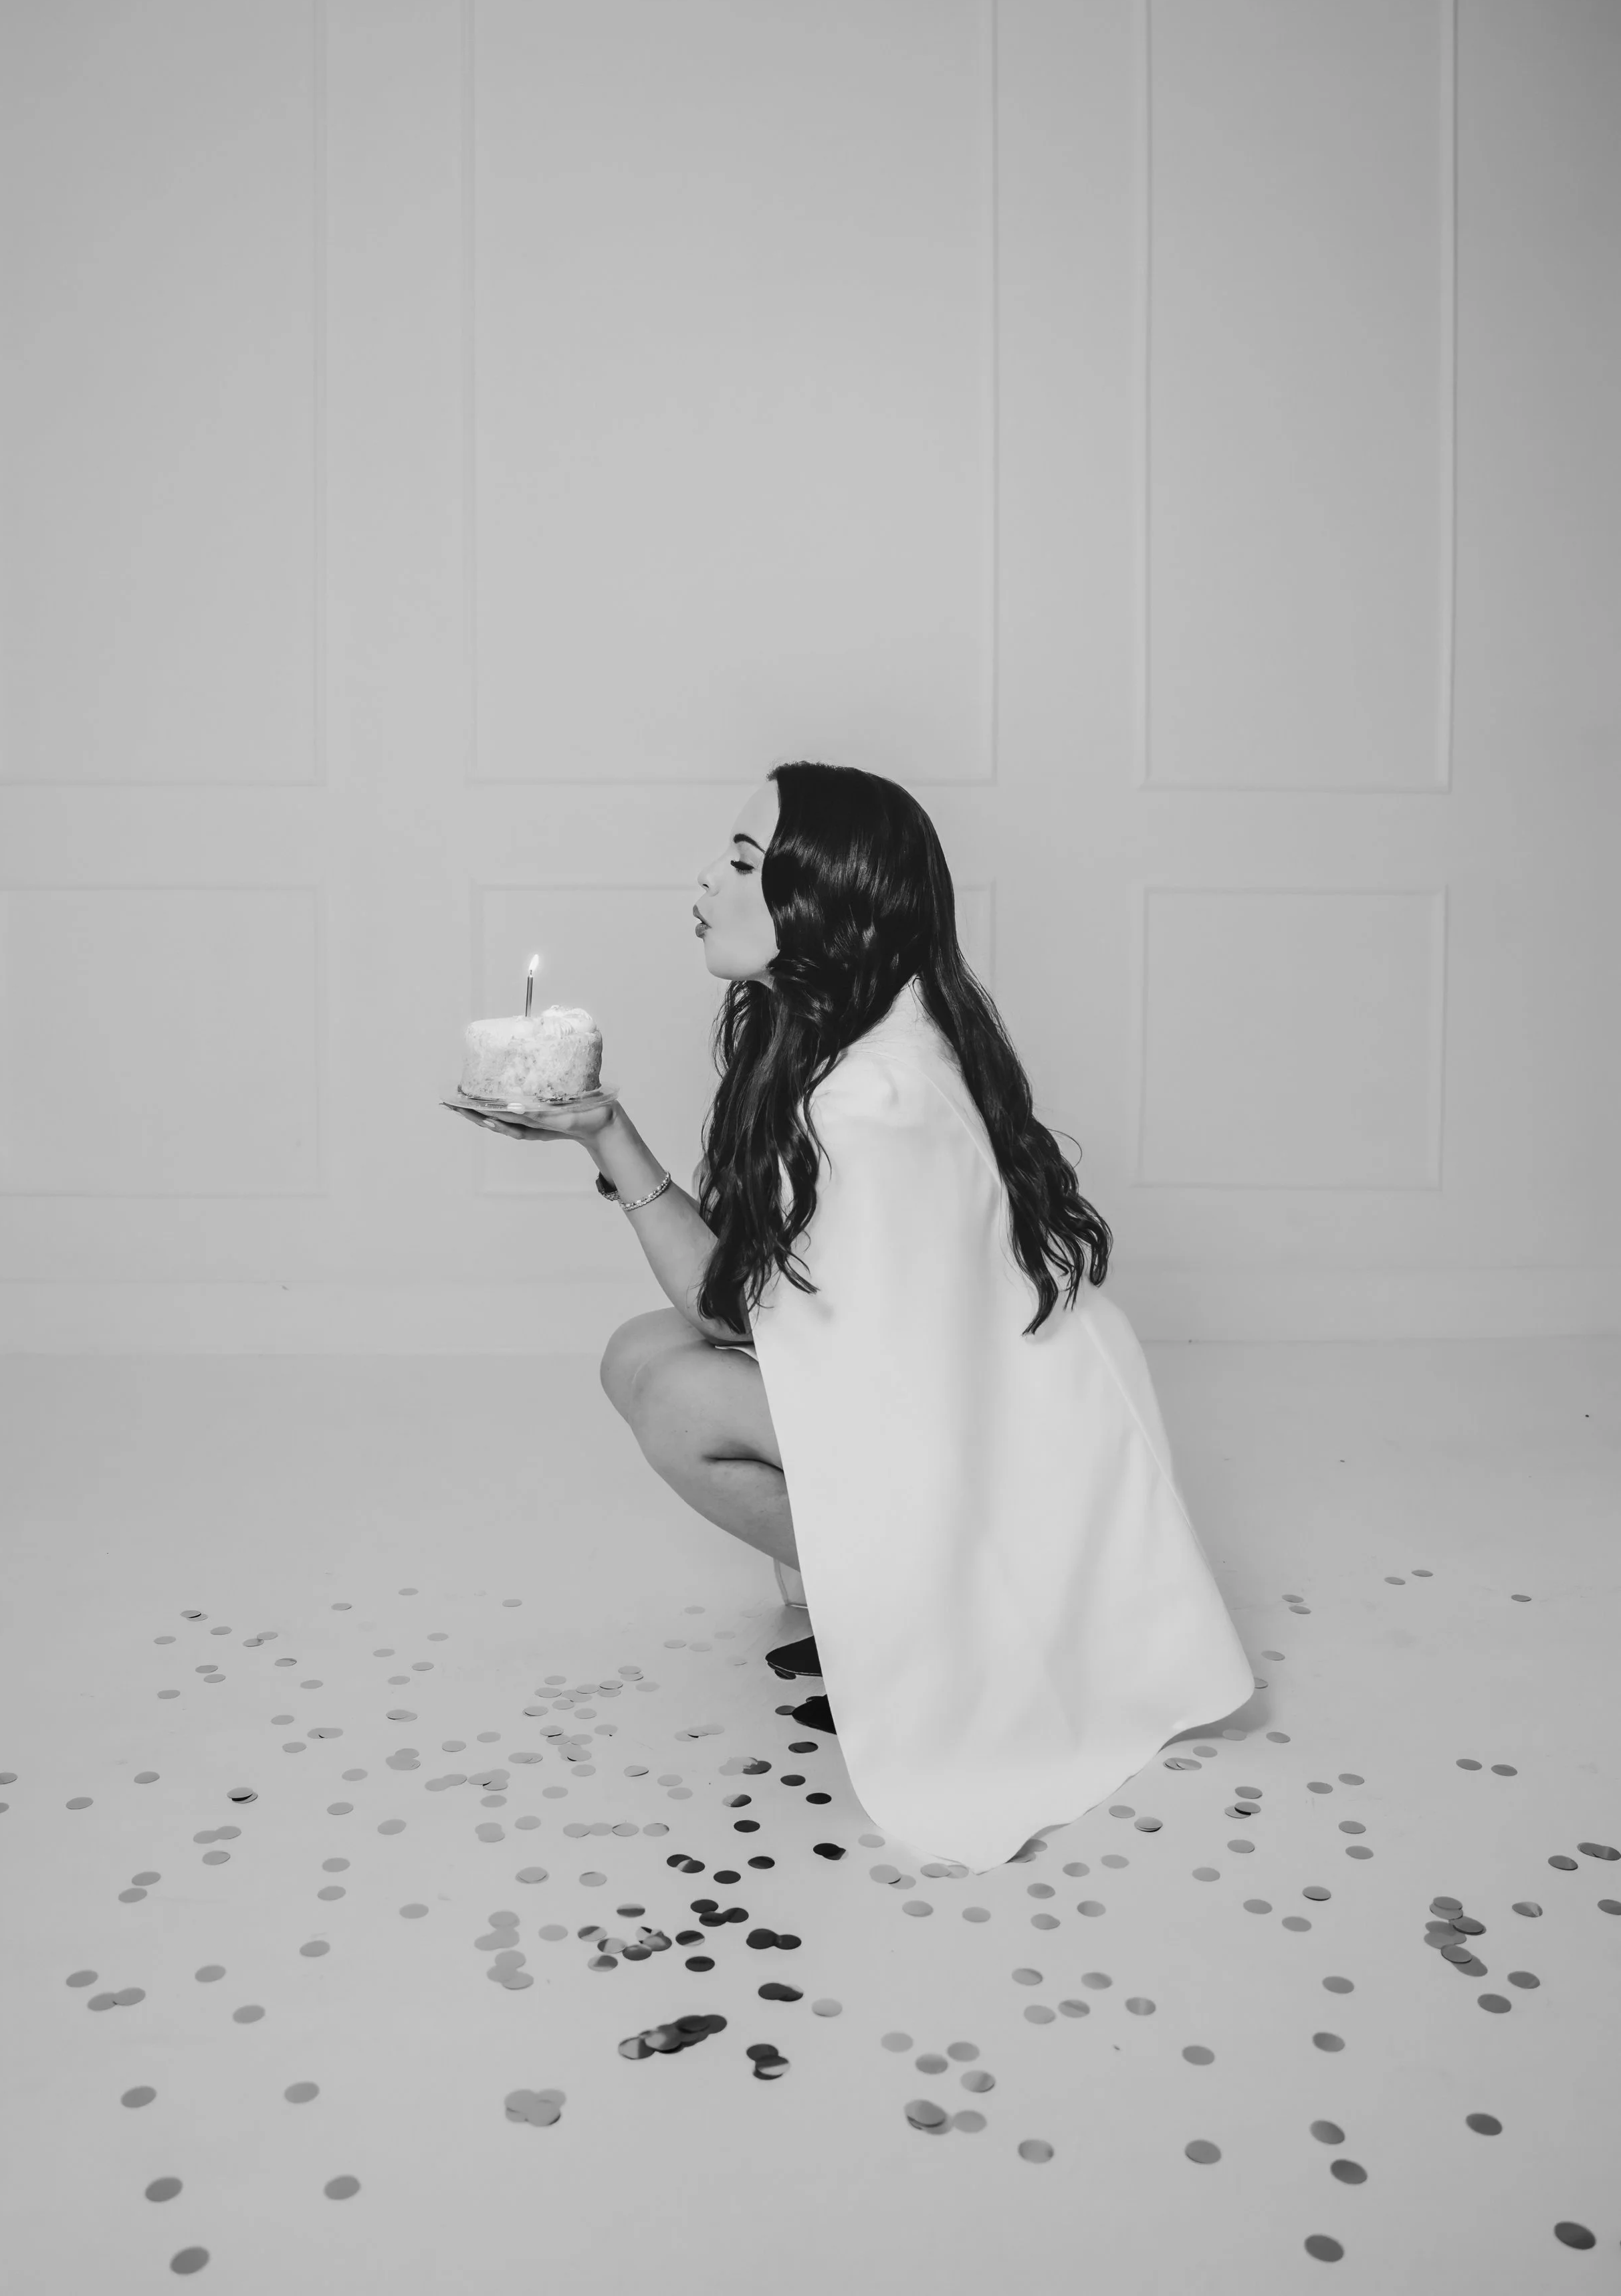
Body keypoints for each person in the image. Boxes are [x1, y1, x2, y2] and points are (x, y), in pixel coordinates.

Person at [460, 759, 1254, 1871]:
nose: (707, 875)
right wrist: (605, 1130)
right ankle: (884, 1603)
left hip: (1009, 1462)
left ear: (821, 899)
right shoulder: (857, 1033)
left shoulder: (868, 1098)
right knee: (643, 1352)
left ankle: (936, 1622)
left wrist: (607, 1139)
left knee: (669, 1382)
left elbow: (730, 1310)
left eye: (744, 860)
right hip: (983, 1415)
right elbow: (778, 1300)